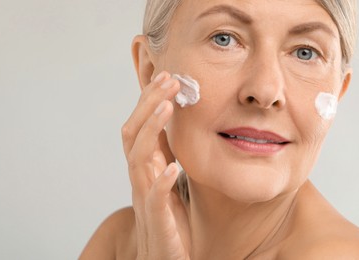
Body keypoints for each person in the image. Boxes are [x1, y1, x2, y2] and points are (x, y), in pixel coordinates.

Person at [80, 0, 359, 259]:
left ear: (339, 91)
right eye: (224, 39)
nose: (264, 91)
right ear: (150, 70)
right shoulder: (119, 243)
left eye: (305, 52)